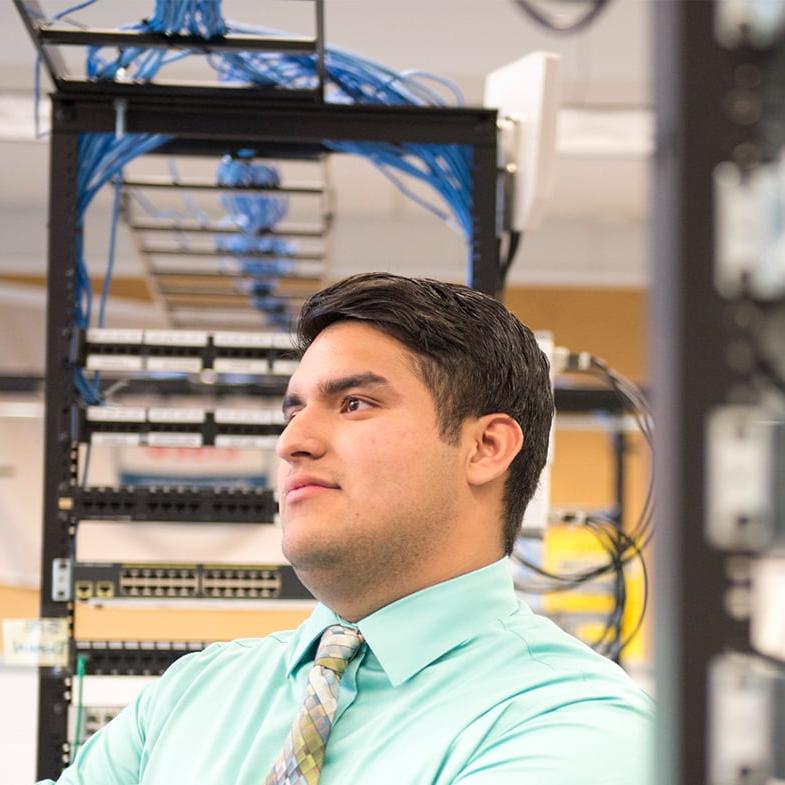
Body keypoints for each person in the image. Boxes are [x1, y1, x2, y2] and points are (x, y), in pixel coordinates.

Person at [40, 273, 654, 785]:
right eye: (295, 409)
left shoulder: (577, 724)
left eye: (355, 403)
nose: (292, 442)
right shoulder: (189, 697)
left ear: (486, 447)